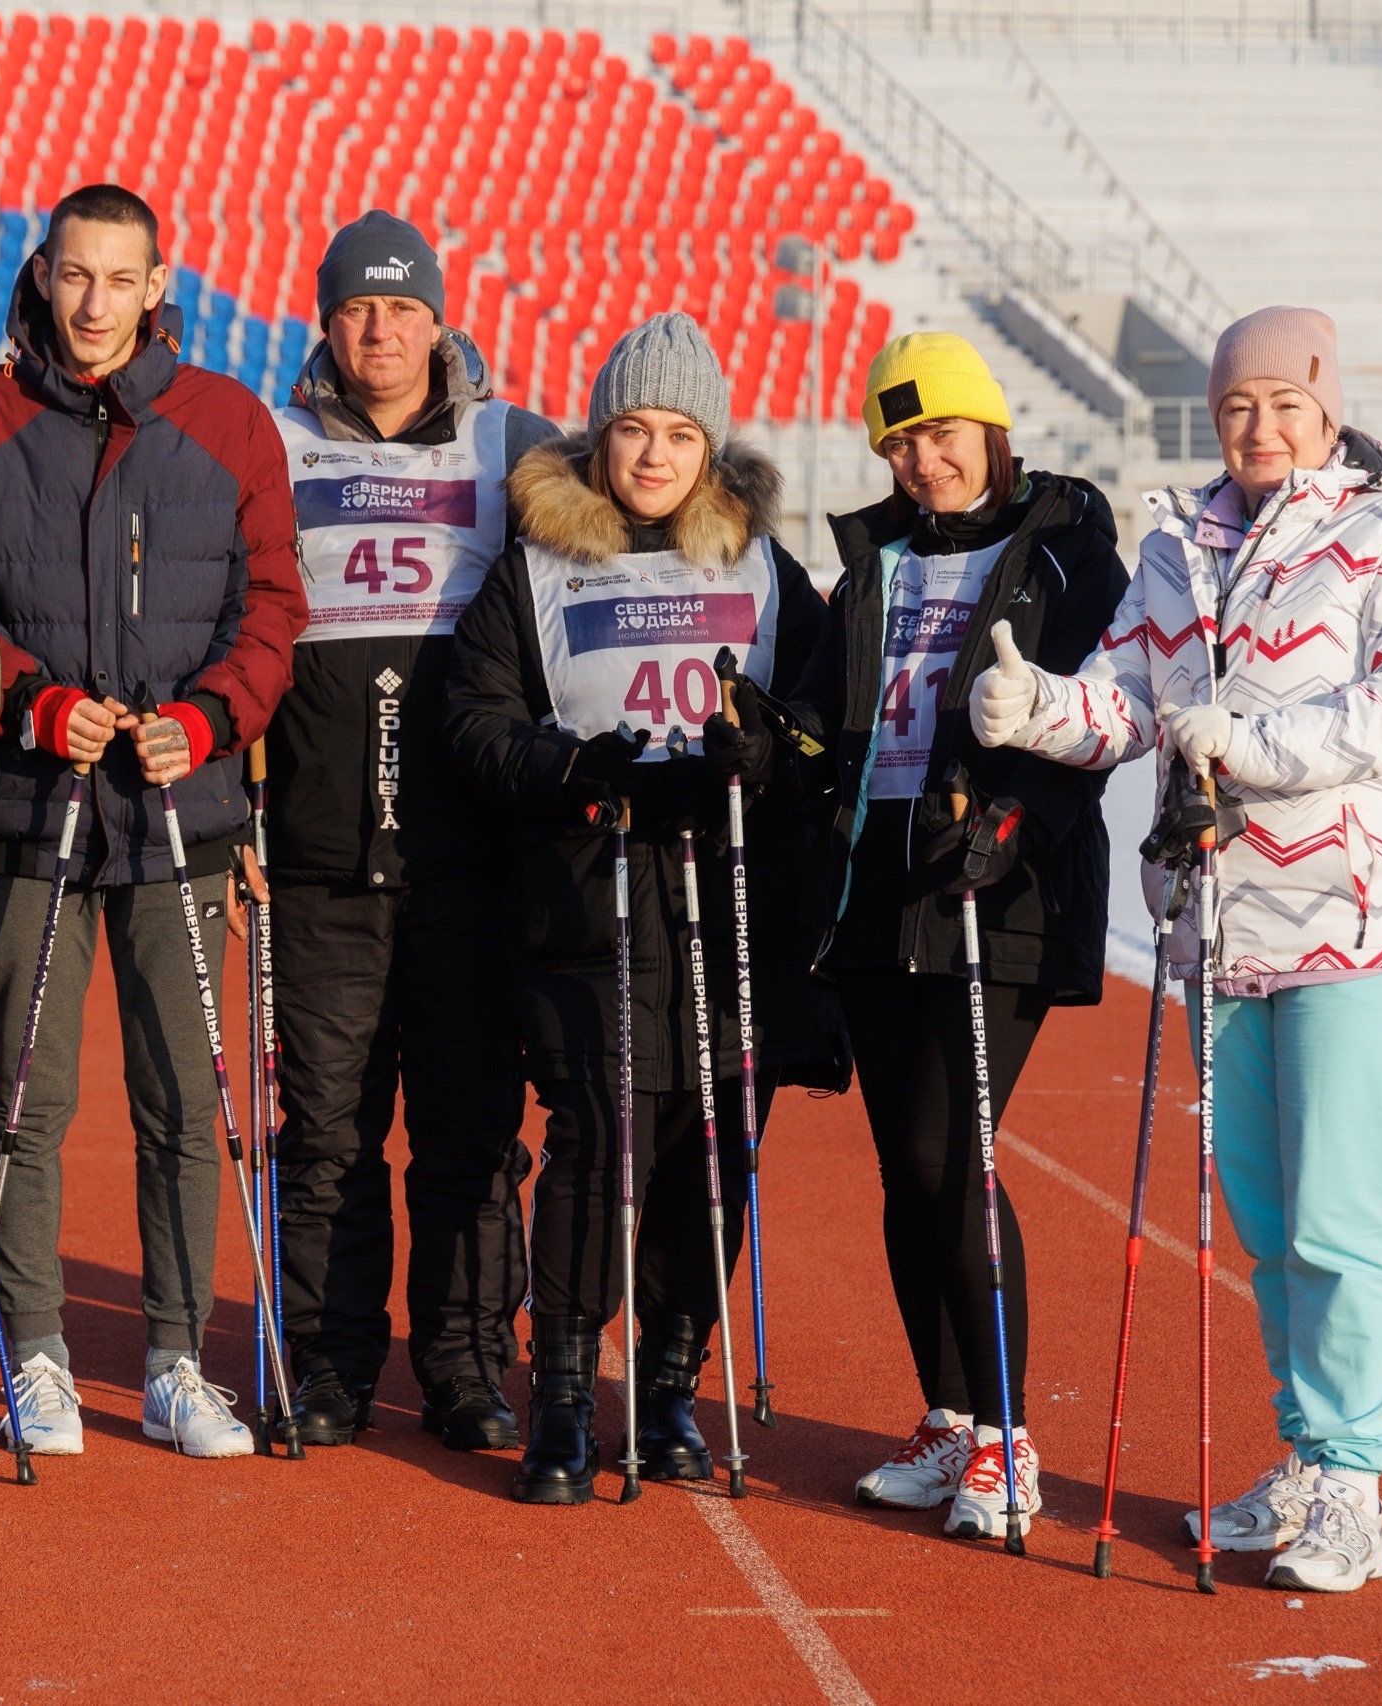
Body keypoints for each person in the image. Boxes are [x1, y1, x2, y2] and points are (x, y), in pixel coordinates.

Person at [971, 307, 1382, 1591]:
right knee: (1263, 1212)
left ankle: (1355, 1483)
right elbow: (1134, 700)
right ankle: (1306, 1454)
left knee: (1341, 1211)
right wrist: (1041, 708)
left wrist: (1250, 744)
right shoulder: (1180, 544)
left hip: (1361, 922)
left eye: (1281, 403)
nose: (1257, 426)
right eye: (1235, 405)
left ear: (1324, 405)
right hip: (1221, 927)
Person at [0, 183, 306, 1459]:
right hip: (29, 808)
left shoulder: (229, 421)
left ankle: (177, 1357)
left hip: (178, 815)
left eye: (116, 281)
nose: (92, 305)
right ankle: (33, 1349)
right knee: (28, 1095)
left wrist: (207, 721)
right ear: (43, 273)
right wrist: (30, 705)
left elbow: (270, 612)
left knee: (181, 1103)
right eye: (71, 276)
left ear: (156, 288)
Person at [444, 313, 839, 1504]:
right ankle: (561, 1390)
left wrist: (773, 755)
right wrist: (575, 769)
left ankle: (669, 1380)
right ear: (599, 437)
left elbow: (823, 726)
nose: (654, 455)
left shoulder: (767, 567)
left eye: (678, 433)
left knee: (706, 1148)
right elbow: (474, 722)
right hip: (589, 897)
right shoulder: (537, 564)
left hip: (725, 903)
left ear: (708, 445)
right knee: (590, 1141)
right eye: (632, 429)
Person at [783, 332, 1129, 1543]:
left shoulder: (1067, 544)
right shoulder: (871, 556)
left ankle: (1007, 1434)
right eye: (899, 442)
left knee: (951, 1155)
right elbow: (829, 715)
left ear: (990, 429)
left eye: (939, 434)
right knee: (902, 1164)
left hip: (998, 874)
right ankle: (945, 1415)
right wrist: (774, 742)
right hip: (875, 874)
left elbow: (1101, 711)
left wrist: (1018, 811)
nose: (923, 460)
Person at [262, 210, 562, 1449]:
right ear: (324, 321)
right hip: (319, 852)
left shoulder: (517, 445)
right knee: (325, 1129)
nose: (380, 329)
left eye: (401, 307)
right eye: (355, 307)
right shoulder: (268, 445)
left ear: (441, 319)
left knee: (470, 1128)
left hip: (475, 854)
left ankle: (463, 1361)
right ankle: (327, 1360)